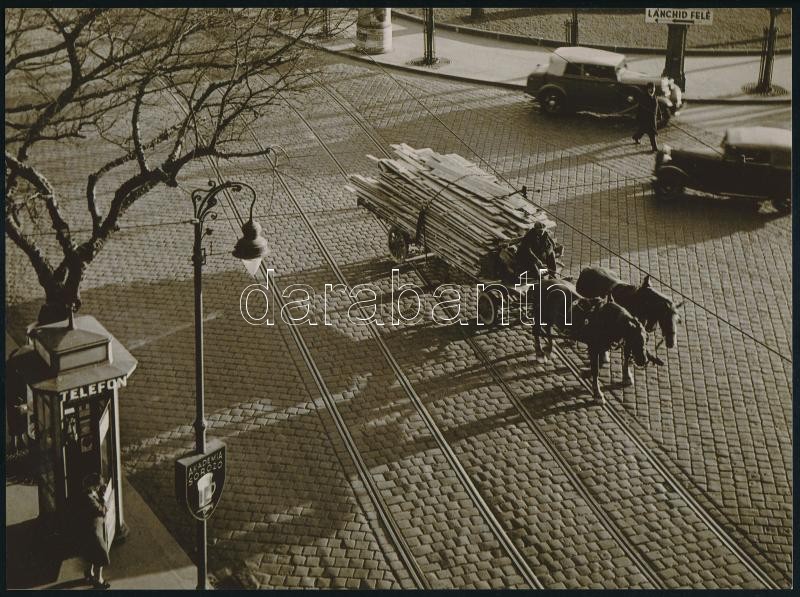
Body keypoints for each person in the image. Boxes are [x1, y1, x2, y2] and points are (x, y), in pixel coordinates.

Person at [79, 474, 111, 589]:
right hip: (94, 531)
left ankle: (89, 574)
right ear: (92, 486)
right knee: (100, 555)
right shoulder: (89, 498)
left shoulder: (90, 493)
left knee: (92, 553)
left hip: (92, 529)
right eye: (97, 486)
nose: (99, 488)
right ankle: (99, 581)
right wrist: (105, 503)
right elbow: (102, 510)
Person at [632, 82, 659, 152]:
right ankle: (654, 148)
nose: (652, 90)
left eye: (653, 88)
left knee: (642, 130)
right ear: (647, 89)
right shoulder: (644, 97)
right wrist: (638, 117)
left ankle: (636, 137)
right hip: (646, 118)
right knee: (652, 133)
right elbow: (640, 108)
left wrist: (659, 115)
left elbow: (657, 107)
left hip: (653, 118)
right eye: (650, 89)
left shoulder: (655, 96)